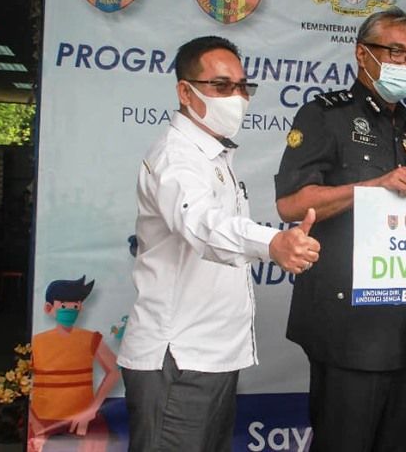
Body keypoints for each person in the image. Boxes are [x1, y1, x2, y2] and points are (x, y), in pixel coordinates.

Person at [117, 35, 320, 452]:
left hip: (210, 356)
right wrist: (272, 243)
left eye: (243, 86)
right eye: (222, 86)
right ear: (185, 91)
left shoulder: (214, 155)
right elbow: (202, 225)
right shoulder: (177, 157)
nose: (237, 98)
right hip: (178, 358)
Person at [275, 8, 406, 451]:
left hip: (404, 332)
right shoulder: (324, 115)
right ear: (362, 54)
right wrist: (371, 187)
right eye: (396, 52)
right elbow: (290, 203)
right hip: (345, 328)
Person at [29, 276, 120, 452]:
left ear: (81, 307)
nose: (70, 310)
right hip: (43, 418)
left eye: (75, 306)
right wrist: (35, 423)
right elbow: (21, 384)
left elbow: (114, 371)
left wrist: (91, 410)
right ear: (48, 308)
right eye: (64, 306)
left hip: (82, 420)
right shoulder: (36, 342)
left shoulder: (90, 338)